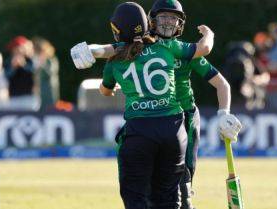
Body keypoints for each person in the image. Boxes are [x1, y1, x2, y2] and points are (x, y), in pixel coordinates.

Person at [73, 2, 242, 209]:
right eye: (164, 17)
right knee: (164, 194)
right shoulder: (167, 47)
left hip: (182, 119)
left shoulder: (169, 48)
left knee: (179, 187)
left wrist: (224, 112)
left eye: (173, 18)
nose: (169, 22)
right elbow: (204, 47)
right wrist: (209, 34)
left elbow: (221, 83)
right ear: (150, 21)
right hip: (170, 127)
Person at [4, 35, 39, 110]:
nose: (17, 50)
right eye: (15, 48)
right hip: (14, 97)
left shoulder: (31, 60)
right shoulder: (9, 61)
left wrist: (24, 65)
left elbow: (34, 73)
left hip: (29, 97)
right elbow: (6, 76)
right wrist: (13, 68)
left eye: (19, 48)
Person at [32, 37, 60, 110]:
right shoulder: (34, 60)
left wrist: (42, 63)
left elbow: (50, 73)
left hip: (49, 91)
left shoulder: (52, 60)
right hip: (38, 92)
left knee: (50, 109)